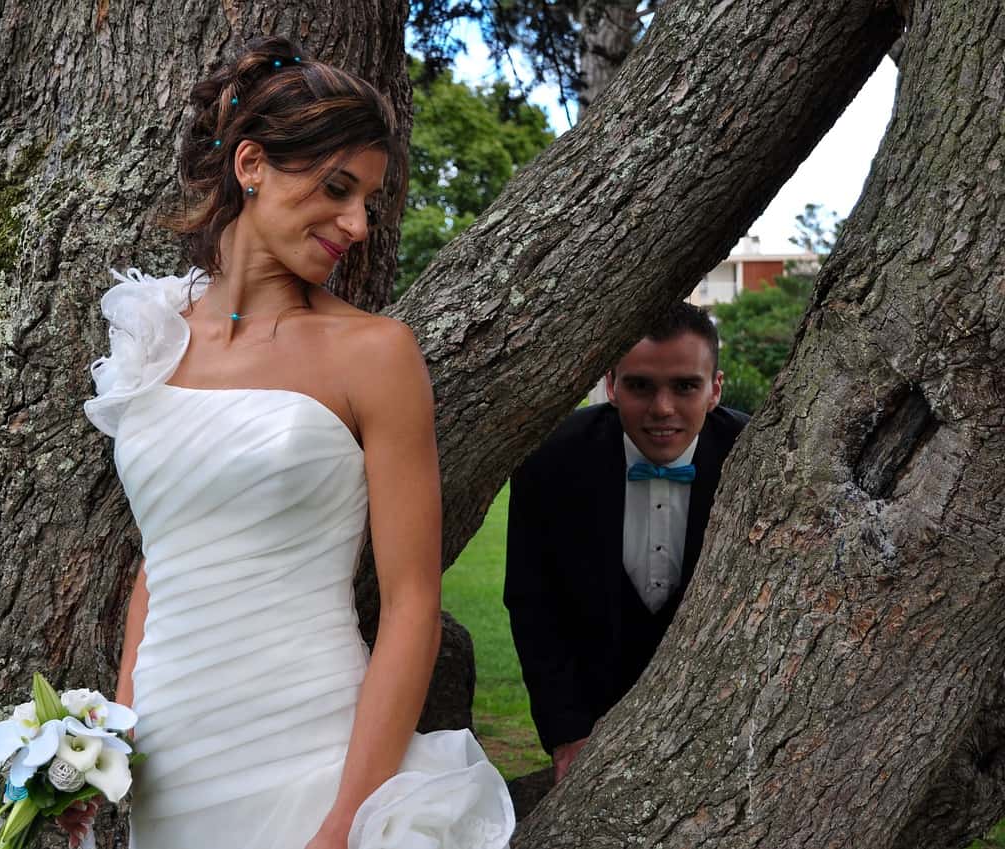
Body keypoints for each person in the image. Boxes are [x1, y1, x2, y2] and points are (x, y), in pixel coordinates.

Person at [82, 37, 513, 849]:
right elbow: (159, 559)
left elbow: (413, 601)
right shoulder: (156, 332)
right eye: (337, 188)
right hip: (172, 763)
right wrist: (114, 737)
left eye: (368, 202)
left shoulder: (376, 354)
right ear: (251, 165)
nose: (356, 224)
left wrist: (345, 825)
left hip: (309, 751)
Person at [504, 303, 749, 783]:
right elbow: (533, 604)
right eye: (640, 386)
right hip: (594, 716)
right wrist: (566, 731)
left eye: (685, 386)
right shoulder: (549, 457)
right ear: (612, 386)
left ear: (714, 389)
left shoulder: (759, 453)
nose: (662, 408)